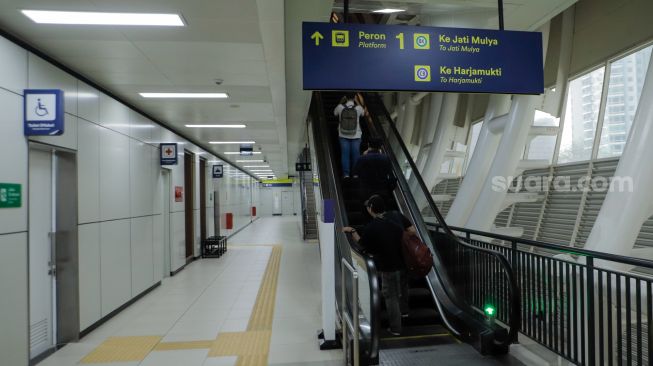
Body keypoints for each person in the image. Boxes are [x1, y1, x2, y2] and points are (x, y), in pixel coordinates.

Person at [342, 195, 414, 335]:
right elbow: (411, 230)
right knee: (403, 288)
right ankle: (405, 313)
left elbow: (362, 245)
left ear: (371, 209)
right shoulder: (395, 219)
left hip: (388, 267)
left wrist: (352, 231)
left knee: (390, 296)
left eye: (368, 207)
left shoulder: (372, 227)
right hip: (404, 263)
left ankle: (396, 328)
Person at [353, 137, 396, 206]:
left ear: (368, 145)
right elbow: (390, 174)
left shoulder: (362, 158)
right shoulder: (386, 158)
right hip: (382, 192)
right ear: (380, 146)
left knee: (366, 211)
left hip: (366, 192)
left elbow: (355, 172)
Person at [333, 93, 365, 178]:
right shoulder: (358, 108)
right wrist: (357, 102)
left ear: (345, 98)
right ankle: (355, 174)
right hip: (356, 135)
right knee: (356, 155)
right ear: (354, 97)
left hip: (343, 135)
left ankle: (346, 174)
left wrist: (341, 102)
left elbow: (335, 113)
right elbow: (363, 114)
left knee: (345, 155)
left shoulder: (340, 107)